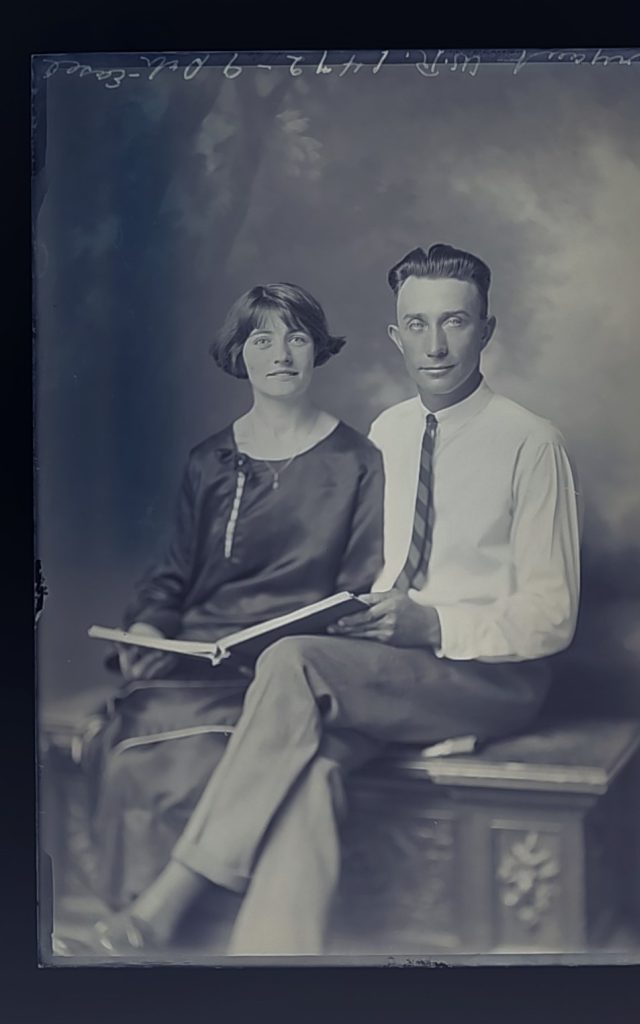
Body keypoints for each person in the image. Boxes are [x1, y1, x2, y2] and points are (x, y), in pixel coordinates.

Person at [89, 243, 581, 958]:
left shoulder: (531, 444)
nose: (434, 344)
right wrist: (359, 614)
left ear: (487, 328)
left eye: (454, 323)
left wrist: (433, 621)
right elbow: (371, 569)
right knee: (308, 771)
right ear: (394, 334)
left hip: (489, 677)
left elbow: (552, 615)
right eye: (416, 325)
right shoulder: (389, 430)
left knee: (292, 662)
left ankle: (167, 901)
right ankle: (272, 966)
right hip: (389, 674)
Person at [85, 282, 384, 913]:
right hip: (191, 667)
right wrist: (150, 629)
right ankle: (127, 947)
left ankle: (191, 944)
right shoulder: (209, 460)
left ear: (318, 351)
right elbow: (172, 574)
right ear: (239, 354)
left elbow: (360, 588)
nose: (282, 353)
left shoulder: (360, 461)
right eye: (263, 339)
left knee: (203, 763)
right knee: (130, 763)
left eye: (297, 337)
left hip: (286, 678)